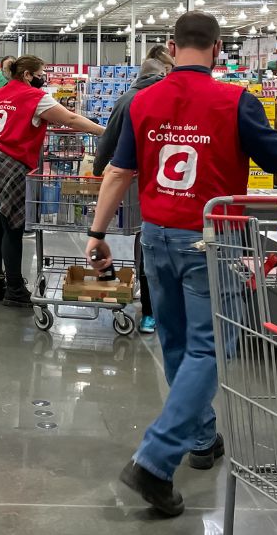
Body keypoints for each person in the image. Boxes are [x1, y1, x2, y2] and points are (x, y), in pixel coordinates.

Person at [85, 12, 277, 517]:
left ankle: (201, 437)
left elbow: (118, 171)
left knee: (178, 342)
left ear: (171, 47)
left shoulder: (142, 100)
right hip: (212, 238)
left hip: (155, 237)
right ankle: (155, 461)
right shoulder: (237, 101)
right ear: (219, 48)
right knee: (215, 347)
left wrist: (96, 233)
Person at [0, 55, 105, 308]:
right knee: (13, 230)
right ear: (28, 74)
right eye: (42, 72)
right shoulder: (35, 98)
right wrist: (106, 131)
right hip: (7, 164)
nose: (44, 76)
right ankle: (15, 289)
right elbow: (70, 119)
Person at [92, 45, 174, 335]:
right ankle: (157, 311)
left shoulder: (128, 98)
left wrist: (96, 169)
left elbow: (110, 140)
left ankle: (151, 312)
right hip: (175, 186)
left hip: (140, 181)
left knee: (146, 243)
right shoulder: (172, 97)